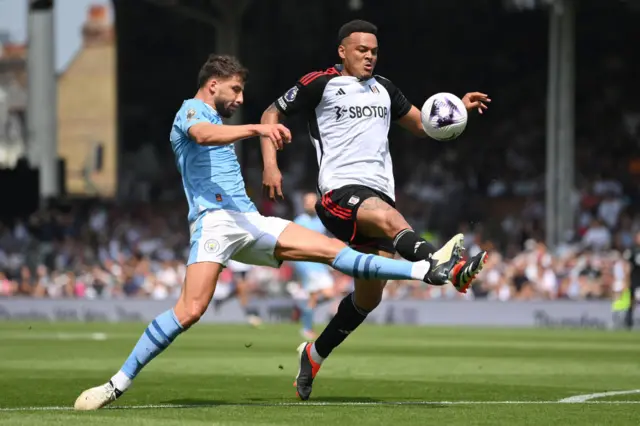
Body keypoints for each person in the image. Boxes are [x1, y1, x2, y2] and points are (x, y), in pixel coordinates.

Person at [74, 54, 470, 410]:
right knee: (190, 310)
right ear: (213, 84)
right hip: (214, 221)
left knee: (332, 251)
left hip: (248, 220)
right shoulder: (191, 111)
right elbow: (203, 137)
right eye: (235, 90)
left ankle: (426, 271)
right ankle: (116, 384)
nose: (240, 98)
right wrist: (258, 131)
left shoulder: (215, 117)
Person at [260, 19, 489, 400]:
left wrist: (457, 111)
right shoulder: (320, 83)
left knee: (368, 298)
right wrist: (270, 163)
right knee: (388, 217)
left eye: (374, 51)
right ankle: (445, 266)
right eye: (362, 50)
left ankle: (313, 356)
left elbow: (422, 125)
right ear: (343, 52)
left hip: (378, 192)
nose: (369, 56)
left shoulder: (384, 88)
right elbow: (271, 113)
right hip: (339, 191)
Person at [292, 192, 336, 340]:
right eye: (307, 201)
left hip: (319, 263)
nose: (309, 204)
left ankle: (305, 312)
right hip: (306, 263)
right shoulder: (299, 221)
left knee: (327, 294)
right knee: (318, 295)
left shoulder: (320, 221)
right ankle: (307, 328)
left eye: (312, 201)